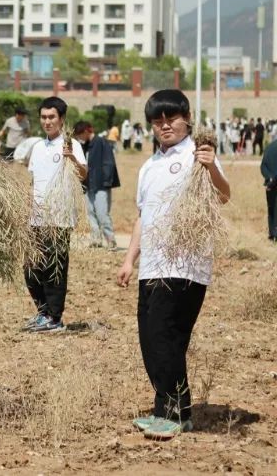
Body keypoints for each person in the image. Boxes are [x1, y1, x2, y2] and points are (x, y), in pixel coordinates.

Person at [117, 89, 230, 440]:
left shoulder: (199, 156)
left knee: (168, 338)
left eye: (171, 118)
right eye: (157, 120)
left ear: (187, 118)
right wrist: (129, 259)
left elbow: (224, 195)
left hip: (184, 265)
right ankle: (164, 407)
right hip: (152, 265)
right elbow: (142, 217)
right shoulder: (149, 165)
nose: (165, 125)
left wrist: (211, 168)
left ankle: (177, 414)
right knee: (150, 340)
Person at [24, 97, 87, 333]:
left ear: (61, 119)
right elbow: (33, 181)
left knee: (54, 268)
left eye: (52, 117)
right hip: (36, 217)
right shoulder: (38, 147)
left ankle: (55, 318)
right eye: (43, 117)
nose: (47, 121)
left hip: (59, 219)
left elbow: (83, 174)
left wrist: (70, 158)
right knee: (31, 268)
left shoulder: (71, 145)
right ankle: (42, 312)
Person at [73, 120, 120, 249]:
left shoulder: (101, 142)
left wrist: (106, 181)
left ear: (87, 131)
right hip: (88, 184)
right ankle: (96, 240)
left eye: (80, 134)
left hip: (100, 185)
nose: (79, 138)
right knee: (90, 213)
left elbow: (109, 163)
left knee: (102, 213)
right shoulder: (84, 146)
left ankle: (111, 240)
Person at [261, 136, 277, 242]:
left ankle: (272, 234)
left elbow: (263, 166)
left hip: (270, 184)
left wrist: (269, 178)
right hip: (274, 182)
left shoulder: (269, 147)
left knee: (271, 209)